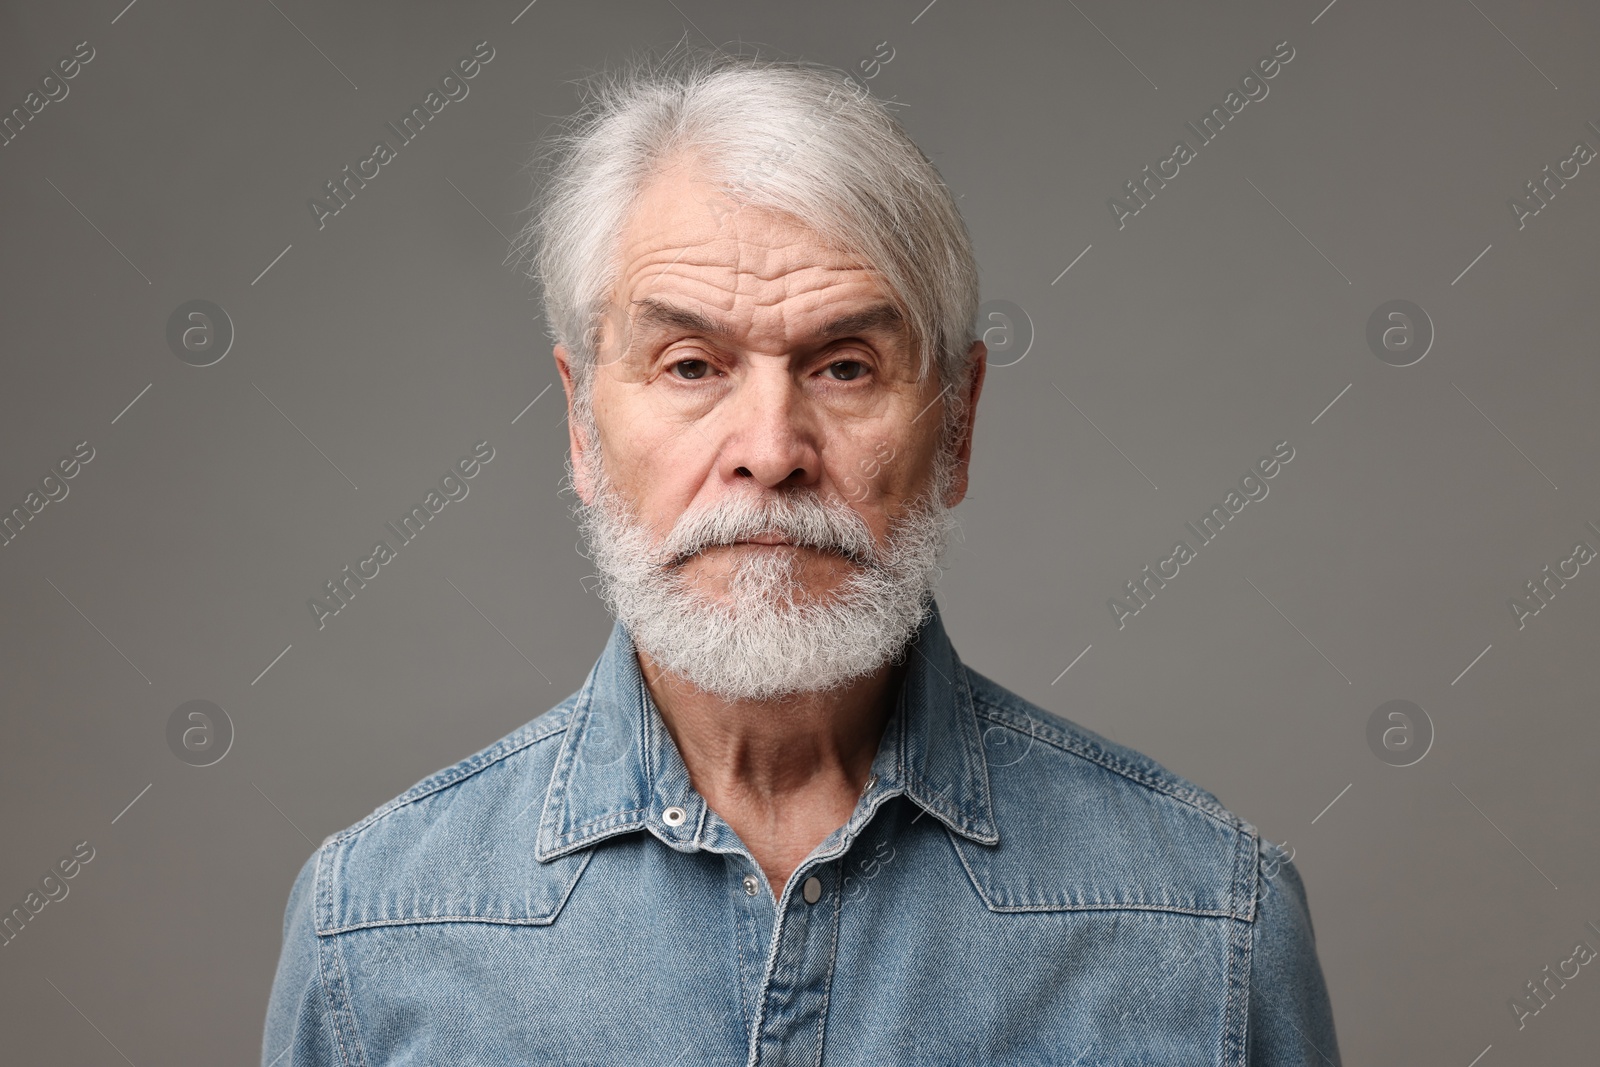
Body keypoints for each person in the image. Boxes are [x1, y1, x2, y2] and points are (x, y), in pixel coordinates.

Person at [262, 45, 1340, 1066]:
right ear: (583, 424)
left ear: (956, 424)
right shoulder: (371, 928)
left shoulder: (1207, 918)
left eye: (844, 367)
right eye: (690, 365)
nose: (770, 452)